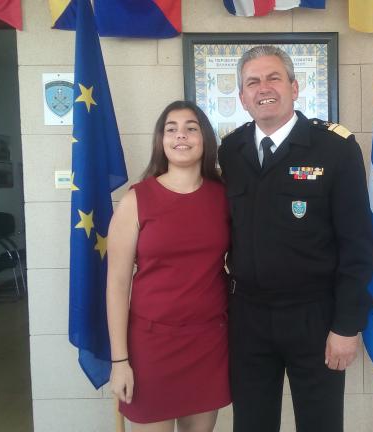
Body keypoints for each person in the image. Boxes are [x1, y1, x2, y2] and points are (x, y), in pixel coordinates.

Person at [218, 46, 373, 432]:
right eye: (252, 82)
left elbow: (357, 244)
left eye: (273, 78)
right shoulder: (231, 150)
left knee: (320, 424)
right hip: (249, 317)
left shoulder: (334, 148)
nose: (263, 88)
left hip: (314, 316)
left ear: (294, 87)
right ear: (242, 97)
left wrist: (347, 325)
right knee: (251, 424)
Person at [106, 101, 230, 432]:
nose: (181, 136)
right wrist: (120, 361)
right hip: (151, 347)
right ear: (161, 140)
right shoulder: (136, 200)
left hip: (208, 342)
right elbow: (117, 284)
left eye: (191, 128)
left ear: (205, 139)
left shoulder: (224, 197)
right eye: (171, 129)